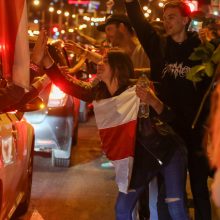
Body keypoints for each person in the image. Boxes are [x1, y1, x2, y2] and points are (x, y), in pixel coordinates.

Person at [124, 0, 213, 219]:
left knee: (200, 189)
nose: (166, 22)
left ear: (185, 20)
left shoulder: (201, 49)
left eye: (171, 17)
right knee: (170, 192)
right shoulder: (159, 46)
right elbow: (140, 23)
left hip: (195, 131)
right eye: (164, 18)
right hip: (167, 132)